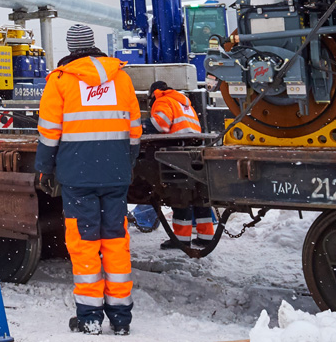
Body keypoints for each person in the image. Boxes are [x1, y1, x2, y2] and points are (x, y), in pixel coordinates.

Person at [36, 25, 141, 336]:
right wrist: (124, 164)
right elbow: (135, 130)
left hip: (78, 175)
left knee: (84, 244)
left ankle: (90, 316)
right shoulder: (121, 78)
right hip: (115, 174)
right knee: (116, 242)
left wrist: (44, 169)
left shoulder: (61, 80)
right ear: (93, 44)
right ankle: (121, 318)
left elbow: (49, 132)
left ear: (71, 47)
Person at [147, 80, 215, 249]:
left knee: (179, 195)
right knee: (198, 195)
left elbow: (160, 125)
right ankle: (206, 236)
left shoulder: (162, 99)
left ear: (154, 93)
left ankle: (181, 239)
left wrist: (140, 126)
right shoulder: (183, 103)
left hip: (176, 151)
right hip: (194, 149)